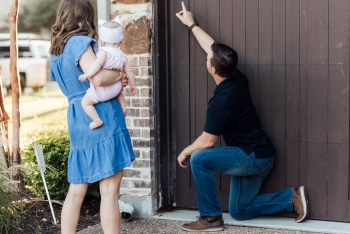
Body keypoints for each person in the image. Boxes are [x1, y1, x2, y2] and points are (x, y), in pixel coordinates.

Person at [175, 2, 310, 232]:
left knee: (199, 158)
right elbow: (213, 48)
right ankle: (292, 198)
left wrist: (186, 150)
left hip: (251, 158)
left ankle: (210, 218)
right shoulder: (237, 77)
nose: (208, 57)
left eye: (209, 59)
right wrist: (192, 24)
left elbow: (208, 142)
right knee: (239, 210)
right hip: (259, 156)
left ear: (213, 70)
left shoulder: (221, 102)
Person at [49, 0, 135, 233]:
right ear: (84, 17)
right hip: (102, 114)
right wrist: (119, 76)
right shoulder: (81, 42)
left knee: (76, 191)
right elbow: (96, 79)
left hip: (78, 116)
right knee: (109, 192)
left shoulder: (55, 50)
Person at [78, 16, 137, 130]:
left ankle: (96, 120)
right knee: (119, 93)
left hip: (102, 92)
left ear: (102, 41)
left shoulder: (103, 52)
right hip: (116, 89)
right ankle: (124, 108)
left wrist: (88, 74)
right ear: (121, 40)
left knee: (85, 103)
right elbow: (129, 72)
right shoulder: (122, 55)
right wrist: (133, 85)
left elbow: (97, 64)